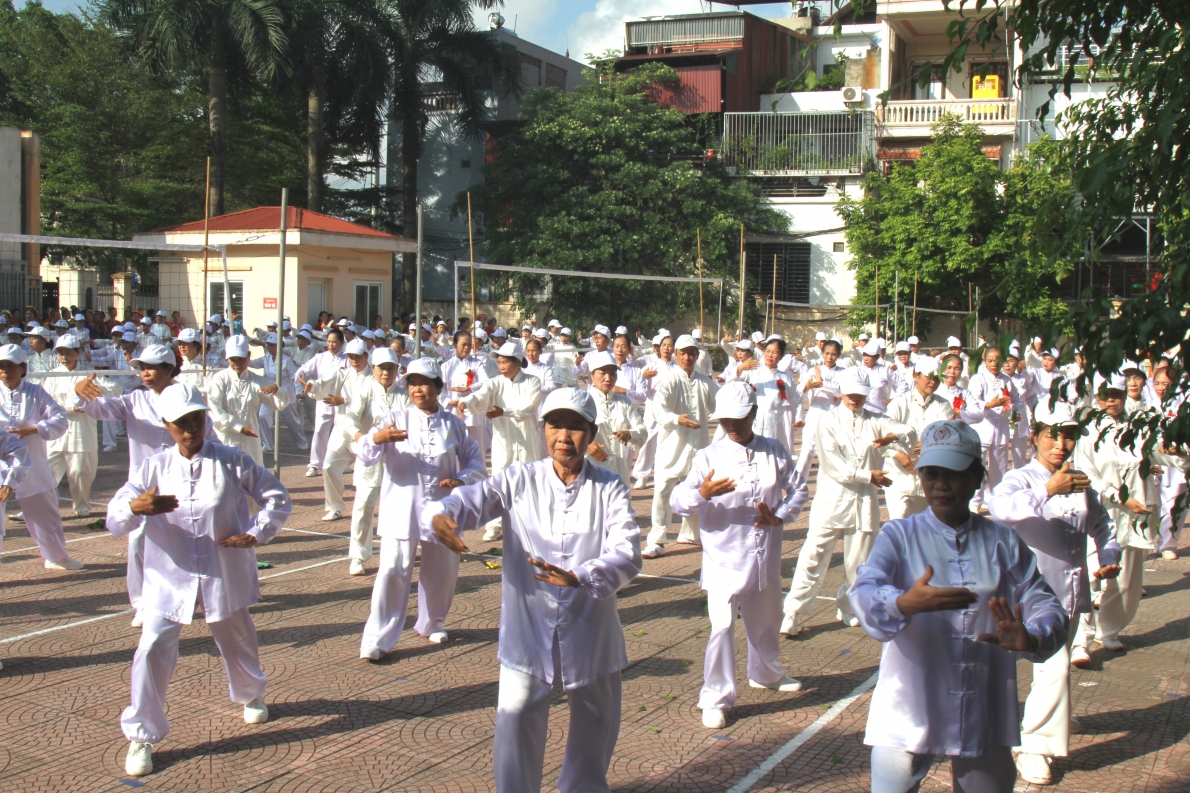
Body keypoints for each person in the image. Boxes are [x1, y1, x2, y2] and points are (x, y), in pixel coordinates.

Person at [426, 387, 641, 793]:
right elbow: (472, 499)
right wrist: (442, 515)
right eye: (555, 425)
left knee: (595, 717)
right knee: (516, 715)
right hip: (527, 627)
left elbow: (628, 553)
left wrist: (580, 576)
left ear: (592, 433)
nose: (564, 436)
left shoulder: (610, 487)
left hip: (590, 623)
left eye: (576, 427)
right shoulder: (519, 479)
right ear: (542, 429)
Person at [849, 419, 1068, 793]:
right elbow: (864, 591)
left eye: (953, 474)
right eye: (930, 473)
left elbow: (1045, 603)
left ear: (977, 477)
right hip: (911, 702)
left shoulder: (1002, 540)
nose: (940, 485)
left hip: (984, 697)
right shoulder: (899, 535)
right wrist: (902, 603)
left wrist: (1030, 637)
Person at [105, 385, 292, 778]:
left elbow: (275, 495)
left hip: (222, 567)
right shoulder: (153, 468)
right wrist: (134, 508)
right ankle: (142, 734)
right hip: (167, 575)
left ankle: (250, 692)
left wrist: (257, 533)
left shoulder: (231, 460)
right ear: (167, 426)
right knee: (153, 644)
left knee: (235, 634)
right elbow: (116, 517)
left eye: (197, 419)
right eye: (181, 423)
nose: (191, 429)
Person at [987, 401, 1121, 785]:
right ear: (1035, 438)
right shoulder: (1020, 479)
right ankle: (1033, 747)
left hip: (1071, 590)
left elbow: (1102, 522)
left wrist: (1108, 553)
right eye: (1052, 436)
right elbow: (1001, 508)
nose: (1061, 444)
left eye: (1068, 437)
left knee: (1053, 668)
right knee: (1040, 665)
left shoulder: (1080, 482)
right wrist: (1048, 489)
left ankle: (1044, 723)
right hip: (1024, 593)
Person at [671, 382, 809, 729]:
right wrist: (701, 493)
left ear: (754, 413)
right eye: (724, 420)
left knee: (766, 620)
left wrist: (779, 516)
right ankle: (715, 696)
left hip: (764, 555)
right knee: (722, 627)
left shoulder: (774, 450)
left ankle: (765, 672)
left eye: (739, 418)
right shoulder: (708, 456)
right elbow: (678, 500)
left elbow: (798, 489)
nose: (731, 426)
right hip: (723, 557)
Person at [73, 344, 211, 625]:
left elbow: (207, 435)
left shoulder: (188, 395)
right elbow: (98, 410)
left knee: (192, 537)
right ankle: (143, 603)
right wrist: (80, 391)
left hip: (186, 480)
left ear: (169, 369)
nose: (144, 373)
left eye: (151, 367)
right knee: (137, 541)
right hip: (144, 484)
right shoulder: (134, 400)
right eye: (141, 368)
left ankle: (200, 595)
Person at [358, 357, 484, 658]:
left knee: (441, 570)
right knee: (392, 569)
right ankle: (377, 637)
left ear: (438, 388)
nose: (418, 389)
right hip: (402, 506)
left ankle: (433, 622)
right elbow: (364, 454)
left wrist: (462, 479)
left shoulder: (454, 425)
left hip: (442, 508)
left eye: (424, 383)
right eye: (413, 383)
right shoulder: (395, 419)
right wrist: (377, 439)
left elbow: (476, 461)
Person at [781, 368, 911, 635]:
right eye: (851, 394)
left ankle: (849, 607)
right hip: (832, 499)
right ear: (841, 392)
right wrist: (868, 475)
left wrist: (893, 437)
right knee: (813, 555)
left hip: (864, 503)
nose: (856, 399)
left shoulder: (875, 420)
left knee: (859, 562)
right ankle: (793, 611)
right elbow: (833, 464)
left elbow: (909, 430)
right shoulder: (827, 421)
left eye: (861, 395)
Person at [1074, 373, 1167, 652]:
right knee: (1092, 573)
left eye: (1117, 394)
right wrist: (1118, 497)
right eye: (1106, 395)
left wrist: (1155, 460)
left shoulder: (1137, 427)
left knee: (1127, 577)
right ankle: (1081, 638)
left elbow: (1152, 453)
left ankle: (1110, 629)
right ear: (1097, 397)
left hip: (1137, 511)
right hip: (1102, 510)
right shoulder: (1088, 430)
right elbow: (1086, 471)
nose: (1112, 400)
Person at [453, 341, 543, 541]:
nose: (501, 366)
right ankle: (494, 525)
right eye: (500, 362)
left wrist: (504, 412)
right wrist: (464, 402)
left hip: (527, 440)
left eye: (505, 362)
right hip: (503, 440)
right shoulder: (495, 383)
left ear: (518, 362)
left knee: (527, 479)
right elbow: (480, 396)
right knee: (499, 479)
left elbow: (528, 408)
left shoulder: (533, 382)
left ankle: (529, 524)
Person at [0, 343, 78, 569]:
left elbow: (60, 419)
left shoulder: (35, 392)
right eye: (1, 366)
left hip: (32, 461)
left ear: (23, 367)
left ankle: (56, 557)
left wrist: (34, 429)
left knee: (45, 513)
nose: (5, 371)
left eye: (10, 366)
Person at [643, 335, 717, 558]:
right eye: (683, 353)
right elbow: (658, 408)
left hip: (698, 447)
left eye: (691, 353)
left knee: (694, 490)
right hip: (672, 448)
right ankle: (657, 539)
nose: (687, 357)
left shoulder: (705, 382)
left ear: (697, 355)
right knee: (663, 491)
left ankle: (691, 533)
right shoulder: (670, 379)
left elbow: (720, 404)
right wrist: (676, 419)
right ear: (676, 355)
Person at [343, 348, 411, 577]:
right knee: (363, 506)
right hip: (370, 458)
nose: (386, 373)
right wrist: (361, 437)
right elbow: (349, 417)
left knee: (397, 508)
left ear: (397, 369)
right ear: (372, 368)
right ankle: (358, 555)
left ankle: (393, 554)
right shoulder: (364, 390)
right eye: (381, 368)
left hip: (397, 458)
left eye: (391, 368)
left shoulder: (404, 393)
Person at [45, 334, 119, 517]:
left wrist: (97, 393)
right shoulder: (52, 377)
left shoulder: (89, 374)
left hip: (82, 432)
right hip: (57, 432)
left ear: (78, 353)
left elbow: (116, 389)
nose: (64, 356)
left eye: (68, 352)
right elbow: (47, 405)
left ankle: (82, 506)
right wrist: (72, 407)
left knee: (80, 471)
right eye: (61, 353)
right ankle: (37, 506)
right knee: (46, 470)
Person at [308, 338, 372, 524]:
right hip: (341, 429)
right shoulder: (343, 374)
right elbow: (327, 381)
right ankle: (334, 506)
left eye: (357, 356)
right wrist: (313, 385)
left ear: (366, 356)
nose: (354, 360)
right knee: (329, 466)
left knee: (366, 476)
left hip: (363, 434)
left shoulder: (373, 378)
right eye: (350, 356)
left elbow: (369, 401)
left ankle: (366, 509)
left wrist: (344, 401)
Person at [881, 356, 953, 519]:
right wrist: (898, 454)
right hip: (898, 477)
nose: (932, 382)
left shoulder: (943, 405)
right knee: (899, 523)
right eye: (928, 377)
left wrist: (929, 444)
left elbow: (946, 436)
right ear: (916, 375)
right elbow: (883, 436)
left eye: (936, 378)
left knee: (921, 529)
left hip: (927, 479)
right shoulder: (899, 404)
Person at [205, 336, 289, 466]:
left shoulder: (256, 381)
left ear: (249, 356)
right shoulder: (219, 379)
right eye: (233, 359)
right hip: (225, 438)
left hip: (250, 439)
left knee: (252, 478)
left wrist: (277, 390)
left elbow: (279, 404)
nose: (237, 363)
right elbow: (214, 408)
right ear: (227, 359)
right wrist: (238, 427)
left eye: (241, 359)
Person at [967, 346, 1022, 510]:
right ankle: (974, 501)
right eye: (990, 360)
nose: (993, 364)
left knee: (999, 467)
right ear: (984, 360)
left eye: (997, 360)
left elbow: (1017, 400)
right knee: (978, 466)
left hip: (1001, 428)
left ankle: (995, 500)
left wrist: (1016, 413)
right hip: (982, 427)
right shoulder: (978, 379)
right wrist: (990, 404)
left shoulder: (1007, 380)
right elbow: (973, 401)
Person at [725, 336, 797, 454]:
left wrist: (799, 418)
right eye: (767, 351)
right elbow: (730, 381)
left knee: (773, 453)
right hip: (754, 420)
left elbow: (796, 400)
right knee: (752, 450)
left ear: (781, 355)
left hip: (775, 422)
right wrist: (740, 368)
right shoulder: (753, 370)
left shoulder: (785, 378)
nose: (770, 355)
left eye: (774, 352)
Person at [583, 351, 646, 485]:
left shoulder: (624, 402)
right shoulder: (583, 402)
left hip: (619, 472)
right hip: (592, 474)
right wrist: (586, 445)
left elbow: (642, 431)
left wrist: (630, 434)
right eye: (602, 373)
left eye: (612, 374)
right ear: (592, 375)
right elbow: (570, 435)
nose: (608, 378)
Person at [294, 328, 347, 477]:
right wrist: (301, 378)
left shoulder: (347, 359)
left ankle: (342, 462)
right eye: (329, 341)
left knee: (342, 432)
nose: (331, 345)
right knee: (319, 431)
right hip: (323, 400)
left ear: (341, 343)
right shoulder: (320, 357)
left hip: (340, 401)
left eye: (335, 342)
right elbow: (302, 370)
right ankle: (315, 464)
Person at [793, 339, 845, 482]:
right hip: (815, 414)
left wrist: (822, 383)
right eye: (827, 353)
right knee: (807, 450)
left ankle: (832, 483)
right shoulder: (813, 371)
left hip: (834, 417)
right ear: (822, 353)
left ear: (839, 355)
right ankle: (797, 483)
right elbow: (798, 394)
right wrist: (808, 386)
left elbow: (841, 391)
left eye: (833, 354)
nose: (829, 357)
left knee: (832, 451)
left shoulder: (843, 373)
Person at [440, 330, 491, 454]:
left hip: (472, 409)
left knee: (476, 446)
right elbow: (440, 388)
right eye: (464, 344)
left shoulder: (477, 364)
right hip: (452, 409)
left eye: (469, 344)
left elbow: (486, 382)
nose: (467, 347)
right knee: (454, 448)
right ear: (455, 344)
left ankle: (477, 473)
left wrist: (469, 388)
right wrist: (448, 401)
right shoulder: (446, 366)